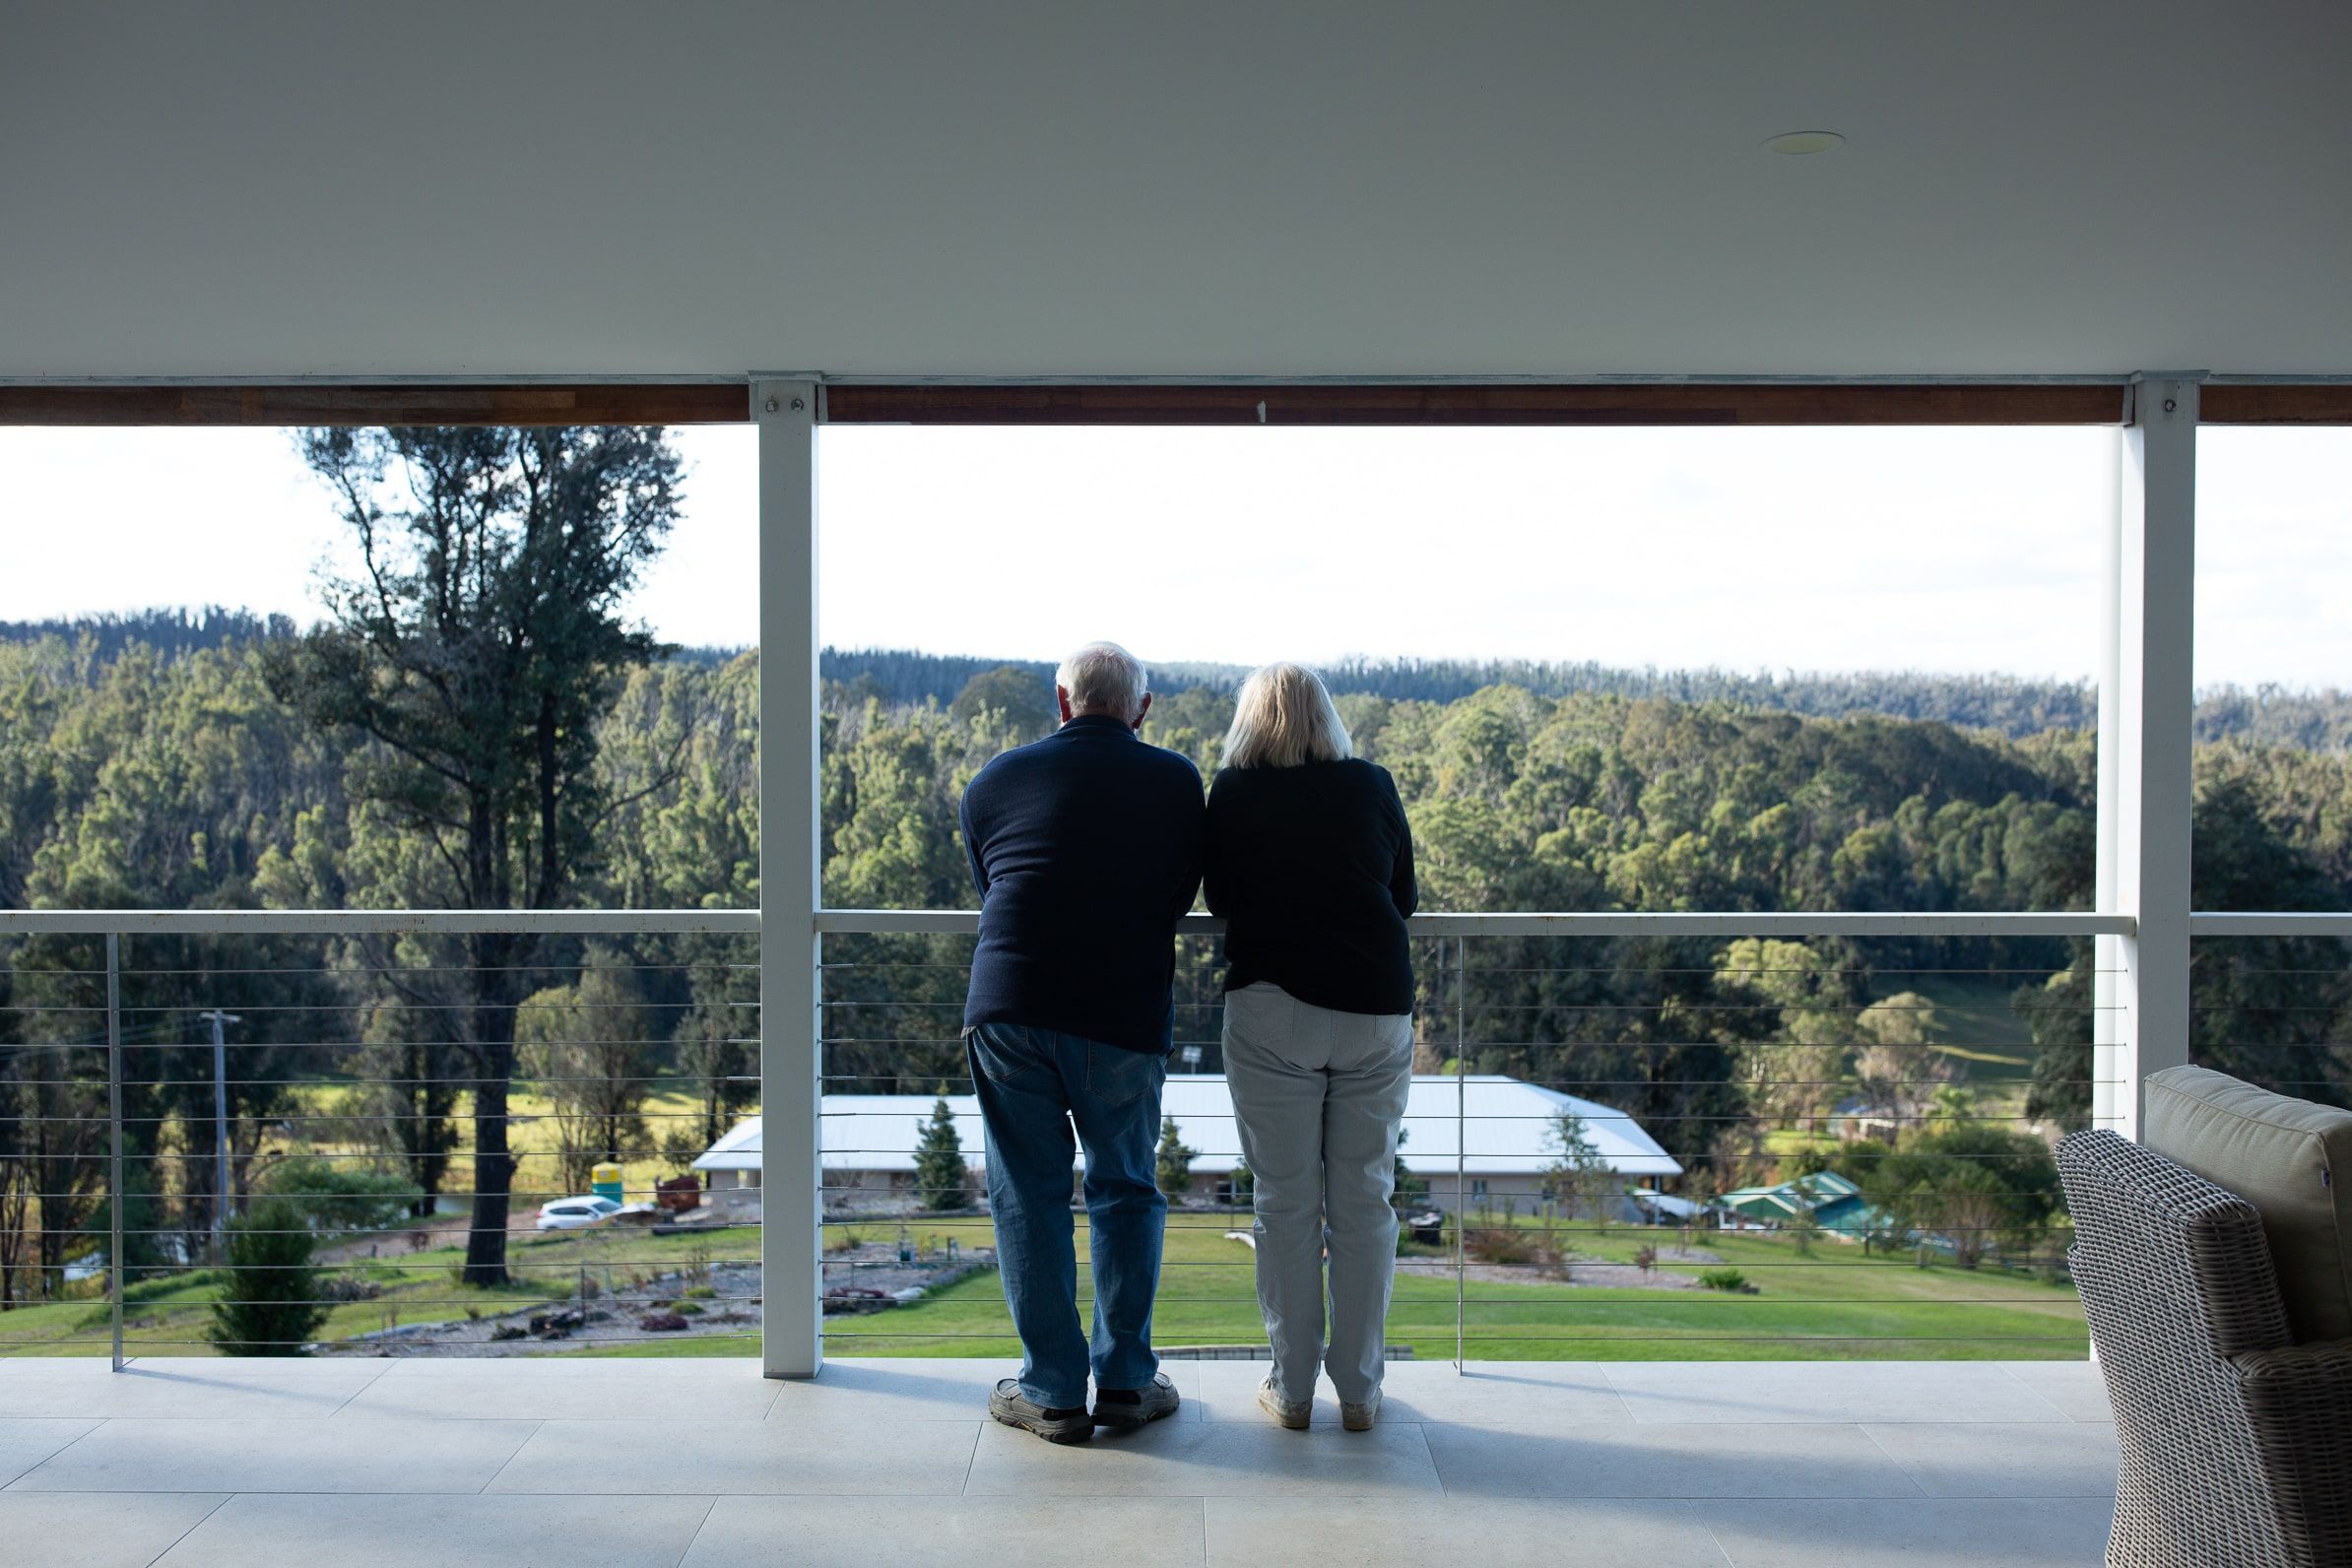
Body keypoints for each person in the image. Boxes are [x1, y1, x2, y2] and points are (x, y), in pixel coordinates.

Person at [960, 640, 1205, 1443]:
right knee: (1125, 1189)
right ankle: (1129, 1384)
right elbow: (1176, 893)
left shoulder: (995, 779)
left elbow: (996, 882)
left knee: (1026, 1196)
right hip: (1121, 1014)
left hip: (1010, 1005)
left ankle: (1054, 1392)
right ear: (1141, 709)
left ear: (1061, 703)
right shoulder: (1176, 783)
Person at [1207, 662, 1417, 1432]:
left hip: (1273, 1009)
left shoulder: (1230, 791)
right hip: (1375, 1009)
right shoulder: (1371, 784)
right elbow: (1405, 898)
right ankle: (1359, 1393)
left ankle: (1291, 1391)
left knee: (1285, 1204)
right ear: (1328, 718)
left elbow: (1221, 899)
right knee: (1365, 1201)